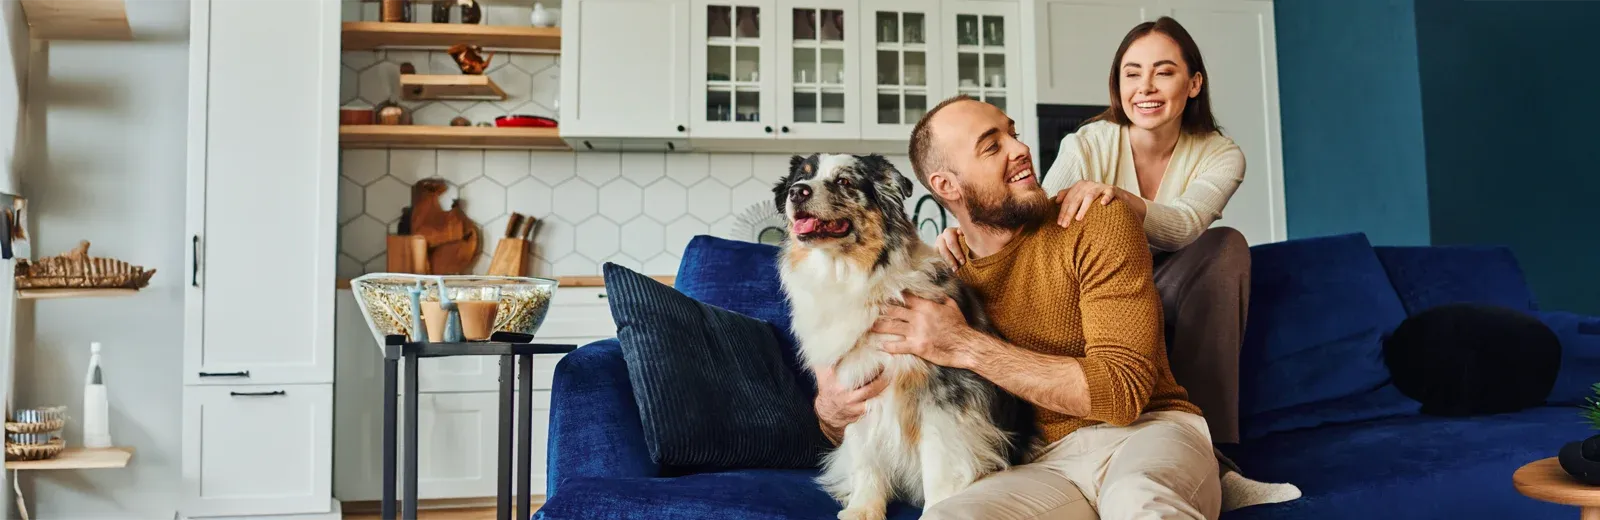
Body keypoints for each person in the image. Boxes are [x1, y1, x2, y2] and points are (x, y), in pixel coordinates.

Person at [837, 94, 1219, 519]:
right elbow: (877, 396)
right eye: (992, 145)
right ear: (947, 185)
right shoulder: (945, 278)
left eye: (1012, 134)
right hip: (1042, 464)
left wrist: (964, 344)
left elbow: (1121, 393)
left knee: (1138, 503)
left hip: (1146, 434)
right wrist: (829, 408)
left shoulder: (1093, 220)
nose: (1021, 149)